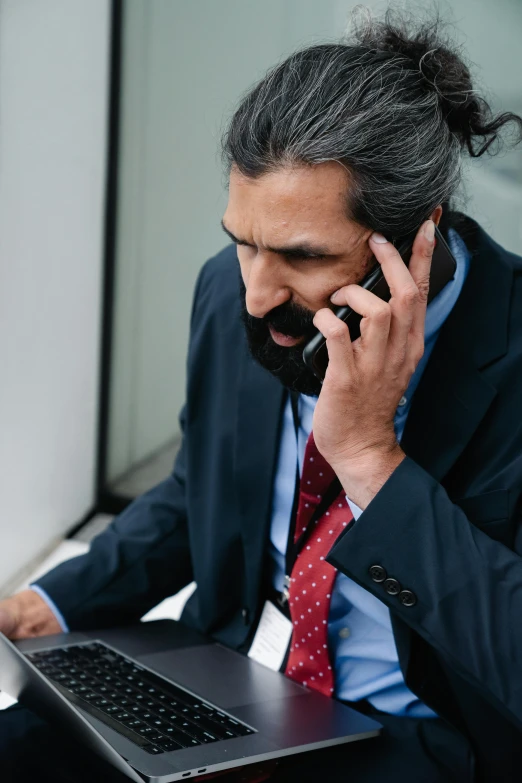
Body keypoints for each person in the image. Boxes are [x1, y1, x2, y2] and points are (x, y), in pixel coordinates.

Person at [1, 10, 522, 783]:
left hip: (421, 739)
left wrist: (372, 458)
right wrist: (59, 601)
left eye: (299, 255)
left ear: (418, 238)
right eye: (243, 239)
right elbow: (198, 490)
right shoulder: (231, 292)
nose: (254, 290)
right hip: (231, 685)